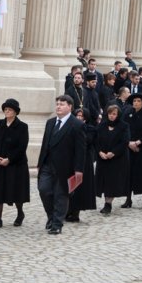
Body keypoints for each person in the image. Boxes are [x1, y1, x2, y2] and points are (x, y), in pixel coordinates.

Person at [36, 95, 85, 234]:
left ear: (70, 106)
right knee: (44, 190)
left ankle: (57, 224)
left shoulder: (77, 124)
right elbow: (45, 144)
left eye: (62, 104)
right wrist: (40, 162)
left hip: (65, 167)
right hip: (47, 165)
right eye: (57, 104)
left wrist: (78, 169)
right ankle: (51, 216)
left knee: (60, 195)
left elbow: (80, 150)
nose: (58, 106)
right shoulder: (50, 122)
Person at [0, 99, 30, 228]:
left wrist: (9, 159)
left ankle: (20, 213)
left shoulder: (22, 127)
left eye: (9, 110)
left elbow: (22, 147)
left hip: (16, 164)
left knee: (16, 191)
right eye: (5, 109)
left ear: (15, 112)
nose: (7, 112)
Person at [95, 105, 130, 214]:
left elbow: (124, 142)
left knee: (113, 182)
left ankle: (108, 203)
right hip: (103, 158)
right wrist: (100, 152)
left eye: (114, 114)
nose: (112, 116)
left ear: (118, 115)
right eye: (110, 113)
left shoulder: (124, 126)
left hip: (117, 159)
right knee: (104, 182)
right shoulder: (102, 125)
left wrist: (113, 153)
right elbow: (96, 140)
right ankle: (106, 203)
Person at [121, 93, 142, 209]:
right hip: (129, 147)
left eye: (138, 101)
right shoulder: (127, 114)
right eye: (134, 101)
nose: (136, 103)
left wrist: (138, 142)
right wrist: (129, 143)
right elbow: (123, 130)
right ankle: (128, 199)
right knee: (128, 173)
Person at [66, 108, 97, 222]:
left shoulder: (90, 129)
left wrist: (80, 128)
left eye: (81, 116)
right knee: (69, 186)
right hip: (71, 159)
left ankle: (76, 213)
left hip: (85, 161)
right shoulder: (70, 127)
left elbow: (87, 141)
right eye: (77, 116)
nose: (79, 118)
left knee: (81, 188)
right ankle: (67, 210)